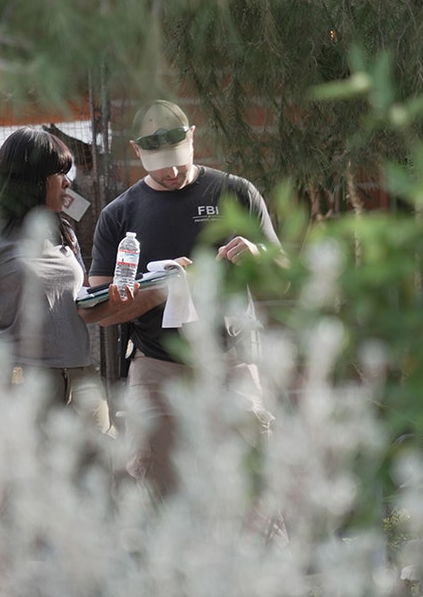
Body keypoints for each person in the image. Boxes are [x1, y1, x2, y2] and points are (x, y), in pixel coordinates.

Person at [86, 99, 281, 498]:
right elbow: (100, 311)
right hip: (157, 364)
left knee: (253, 478)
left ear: (193, 138)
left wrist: (259, 257)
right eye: (159, 164)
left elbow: (286, 280)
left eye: (178, 159)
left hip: (231, 360)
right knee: (155, 482)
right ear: (137, 152)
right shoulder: (119, 214)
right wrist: (160, 285)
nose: (172, 172)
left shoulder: (235, 192)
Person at [0, 127, 118, 435]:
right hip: (22, 381)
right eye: (58, 174)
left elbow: (77, 304)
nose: (68, 183)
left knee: (101, 474)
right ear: (30, 180)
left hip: (83, 378)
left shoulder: (64, 229)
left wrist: (116, 299)